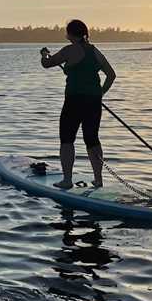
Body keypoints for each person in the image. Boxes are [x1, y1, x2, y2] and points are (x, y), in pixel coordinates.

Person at [40, 19, 116, 189]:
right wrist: (100, 93)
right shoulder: (95, 51)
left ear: (70, 34)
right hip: (93, 102)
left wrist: (44, 54)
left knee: (67, 139)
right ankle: (98, 180)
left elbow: (47, 64)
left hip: (74, 101)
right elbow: (111, 75)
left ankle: (67, 181)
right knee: (92, 139)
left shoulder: (69, 50)